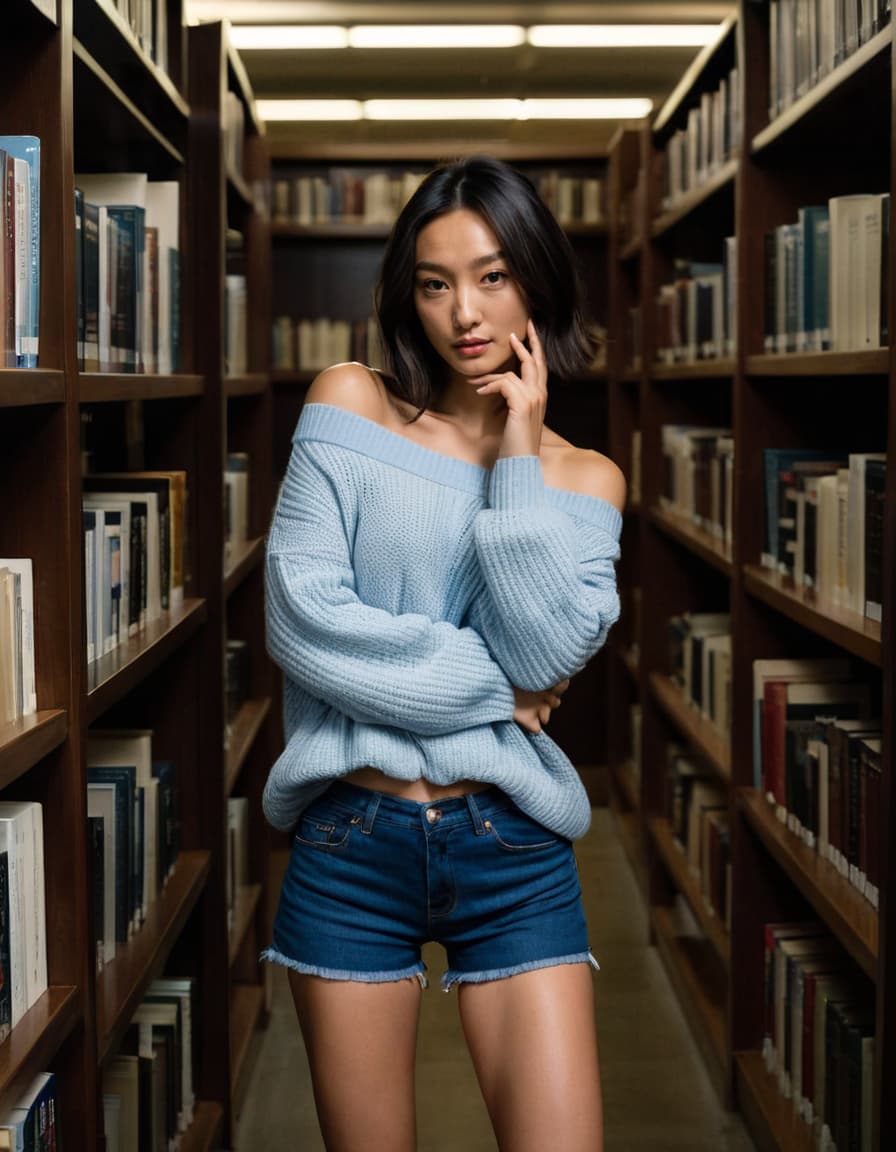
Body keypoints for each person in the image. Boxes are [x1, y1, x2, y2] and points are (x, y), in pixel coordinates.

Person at [261, 154, 625, 1152]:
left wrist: (516, 457)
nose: (464, 312)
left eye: (491, 276)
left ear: (536, 283)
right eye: (434, 282)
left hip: (510, 847)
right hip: (348, 842)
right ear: (405, 295)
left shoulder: (585, 478)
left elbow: (547, 647)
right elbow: (302, 622)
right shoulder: (352, 402)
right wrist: (494, 690)